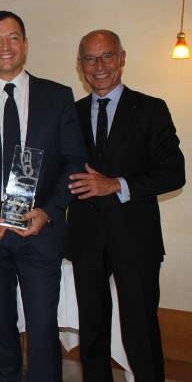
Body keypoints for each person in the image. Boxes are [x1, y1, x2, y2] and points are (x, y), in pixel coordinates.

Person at [0, 10, 87, 382]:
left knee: (43, 328)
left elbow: (74, 162)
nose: (5, 46)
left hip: (39, 232)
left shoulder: (57, 97)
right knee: (0, 329)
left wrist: (50, 210)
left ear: (25, 44)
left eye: (13, 38)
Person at [66, 30, 185, 382]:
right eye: (89, 58)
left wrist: (116, 185)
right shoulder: (70, 114)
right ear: (80, 65)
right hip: (86, 239)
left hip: (136, 239)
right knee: (92, 333)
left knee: (140, 330)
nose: (98, 66)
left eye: (106, 56)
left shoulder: (151, 109)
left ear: (121, 58)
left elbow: (173, 173)